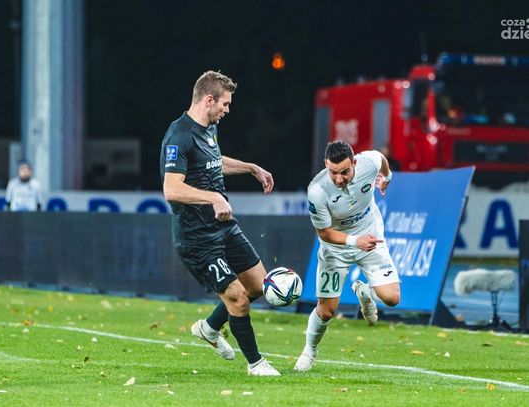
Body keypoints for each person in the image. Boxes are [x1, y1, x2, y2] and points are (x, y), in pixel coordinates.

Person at [159, 71, 280, 376]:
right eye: (225, 104)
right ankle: (256, 364)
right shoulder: (179, 135)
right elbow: (171, 189)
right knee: (237, 297)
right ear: (209, 100)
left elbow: (214, 161)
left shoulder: (209, 129)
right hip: (197, 237)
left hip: (224, 227)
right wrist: (213, 198)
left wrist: (251, 167)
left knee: (258, 286)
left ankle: (210, 328)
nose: (227, 110)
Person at [294, 141, 400, 372]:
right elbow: (324, 233)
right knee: (326, 311)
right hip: (336, 249)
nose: (339, 179)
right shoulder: (317, 191)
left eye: (344, 172)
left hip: (370, 238)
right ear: (326, 164)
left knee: (392, 298)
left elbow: (381, 159)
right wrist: (354, 241)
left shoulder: (368, 163)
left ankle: (366, 292)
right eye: (333, 172)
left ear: (354, 163)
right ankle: (309, 351)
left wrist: (387, 177)